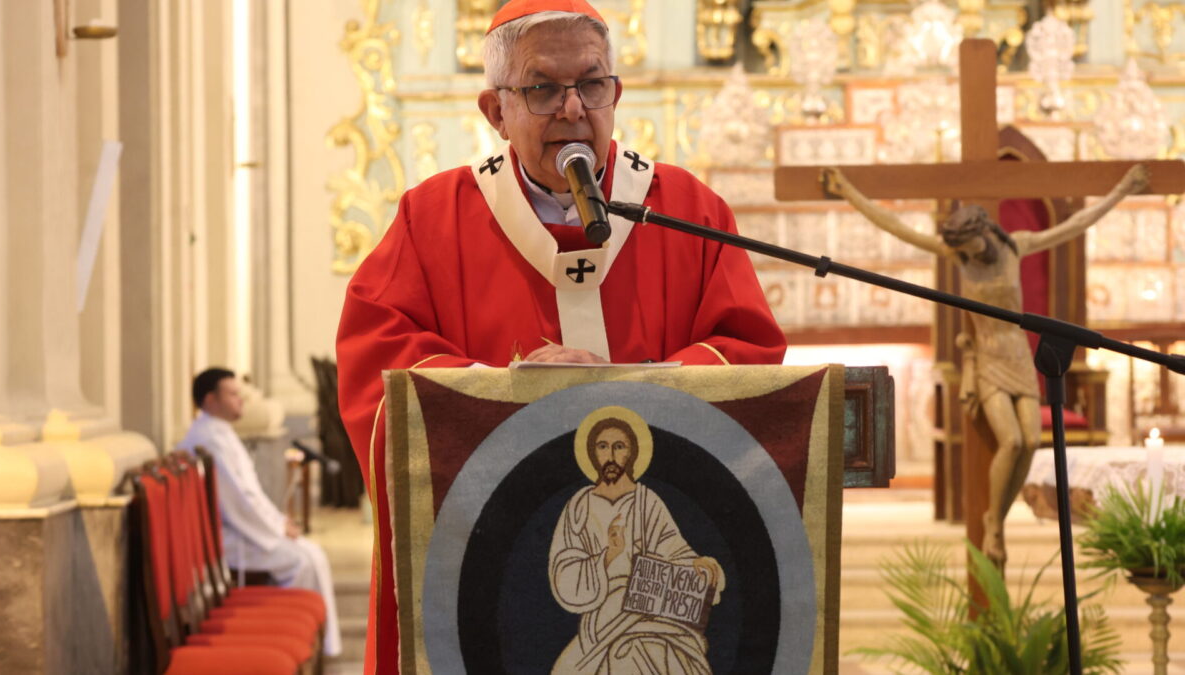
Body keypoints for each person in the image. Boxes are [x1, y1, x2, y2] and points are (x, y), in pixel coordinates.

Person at [336, 0, 784, 668]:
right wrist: (503, 396)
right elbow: (375, 361)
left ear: (615, 94)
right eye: (542, 88)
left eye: (592, 84)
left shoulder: (686, 211)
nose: (573, 109)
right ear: (495, 110)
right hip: (494, 548)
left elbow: (747, 351)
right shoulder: (433, 221)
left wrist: (636, 389)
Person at [820, 164, 1150, 565]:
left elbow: (1077, 224)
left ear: (984, 231)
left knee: (1030, 440)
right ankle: (995, 525)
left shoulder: (1016, 247)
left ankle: (999, 514)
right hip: (988, 359)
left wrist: (1123, 189)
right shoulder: (957, 256)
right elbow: (894, 226)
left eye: (973, 243)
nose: (971, 252)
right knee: (1010, 441)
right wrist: (848, 192)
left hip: (1018, 357)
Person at [179, 368, 342, 657]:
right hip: (228, 536)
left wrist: (280, 523)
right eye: (232, 394)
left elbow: (249, 494)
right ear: (210, 399)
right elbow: (238, 502)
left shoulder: (220, 432)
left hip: (244, 528)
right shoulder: (210, 439)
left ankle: (319, 645)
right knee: (299, 561)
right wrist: (278, 528)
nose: (241, 400)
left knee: (313, 554)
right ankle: (292, 642)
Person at [549, 409, 723, 674]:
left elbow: (673, 549)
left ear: (631, 453)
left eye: (619, 447)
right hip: (600, 622)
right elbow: (563, 572)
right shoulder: (578, 506)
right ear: (592, 453)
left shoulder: (646, 501)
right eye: (602, 446)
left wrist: (696, 564)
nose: (610, 455)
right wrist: (608, 555)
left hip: (649, 615)